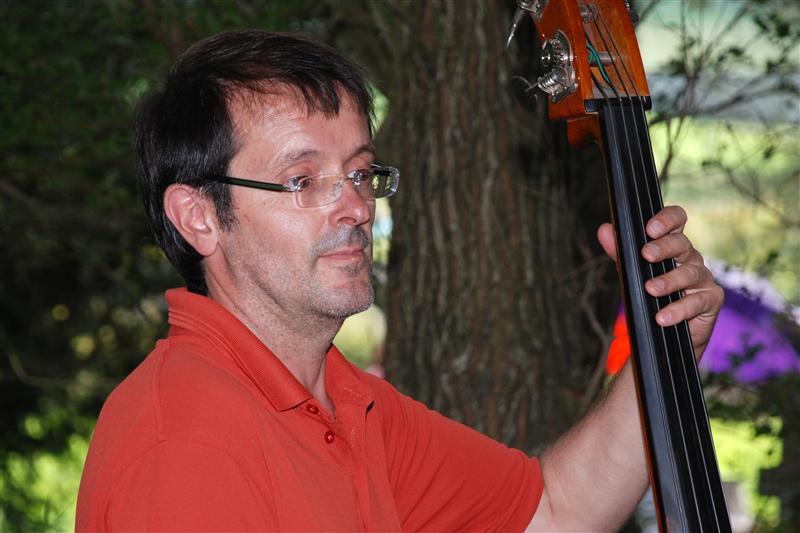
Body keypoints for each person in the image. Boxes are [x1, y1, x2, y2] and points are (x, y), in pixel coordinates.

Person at [76, 30, 724, 531]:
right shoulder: (186, 440)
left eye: (360, 172)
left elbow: (555, 510)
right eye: (302, 180)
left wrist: (664, 342)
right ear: (198, 218)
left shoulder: (348, 403)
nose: (356, 207)